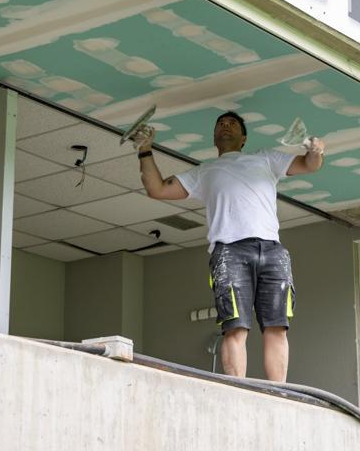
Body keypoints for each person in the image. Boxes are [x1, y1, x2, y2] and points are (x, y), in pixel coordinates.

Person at [135, 111, 324, 382]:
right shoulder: (204, 171)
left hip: (272, 250)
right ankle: (238, 390)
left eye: (233, 124)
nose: (226, 126)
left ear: (243, 138)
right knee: (235, 327)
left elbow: (309, 165)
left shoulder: (266, 158)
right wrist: (144, 151)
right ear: (214, 137)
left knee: (277, 326)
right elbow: (157, 189)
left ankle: (281, 392)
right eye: (220, 124)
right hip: (229, 251)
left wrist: (316, 150)